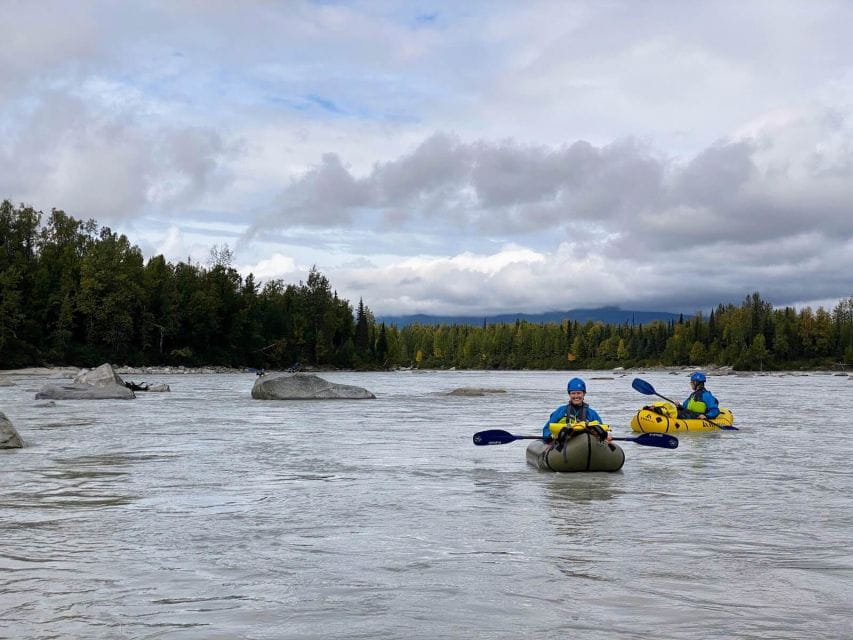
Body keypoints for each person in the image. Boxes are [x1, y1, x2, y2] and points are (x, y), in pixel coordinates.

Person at [542, 377, 612, 445]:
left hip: (586, 445)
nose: (576, 396)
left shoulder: (591, 413)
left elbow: (603, 429)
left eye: (579, 393)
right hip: (565, 445)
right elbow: (546, 430)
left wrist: (607, 435)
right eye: (573, 393)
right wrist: (551, 436)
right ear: (569, 394)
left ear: (584, 394)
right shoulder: (561, 411)